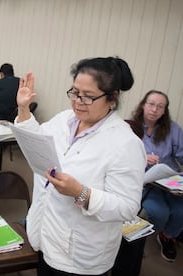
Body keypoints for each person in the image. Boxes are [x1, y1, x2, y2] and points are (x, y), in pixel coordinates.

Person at [15, 57, 146, 275]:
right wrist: (23, 109)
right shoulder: (65, 119)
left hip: (80, 254)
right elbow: (37, 142)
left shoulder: (126, 143)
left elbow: (128, 207)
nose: (77, 101)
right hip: (47, 232)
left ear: (112, 99)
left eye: (88, 97)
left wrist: (81, 193)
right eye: (75, 92)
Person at [131, 90, 183, 262]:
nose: (154, 109)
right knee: (159, 212)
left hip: (170, 180)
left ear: (164, 111)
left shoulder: (173, 128)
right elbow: (120, 156)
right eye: (151, 104)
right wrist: (143, 157)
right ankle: (153, 233)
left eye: (160, 107)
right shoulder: (131, 126)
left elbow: (181, 155)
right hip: (146, 181)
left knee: (180, 212)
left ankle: (167, 236)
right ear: (143, 104)